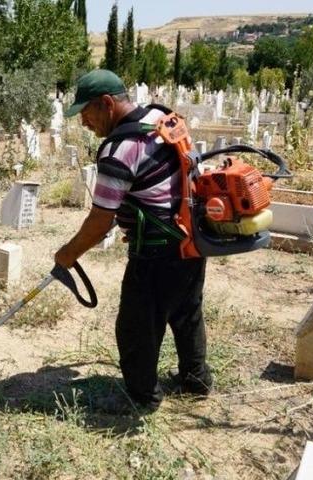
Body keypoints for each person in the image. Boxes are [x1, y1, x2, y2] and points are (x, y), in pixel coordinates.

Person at [54, 69, 212, 412]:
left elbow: (99, 222)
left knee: (136, 328)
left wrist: (67, 254)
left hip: (156, 253)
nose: (83, 122)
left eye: (86, 112)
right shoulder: (159, 116)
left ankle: (142, 397)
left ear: (107, 104)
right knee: (186, 313)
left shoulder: (118, 150)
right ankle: (196, 381)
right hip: (190, 239)